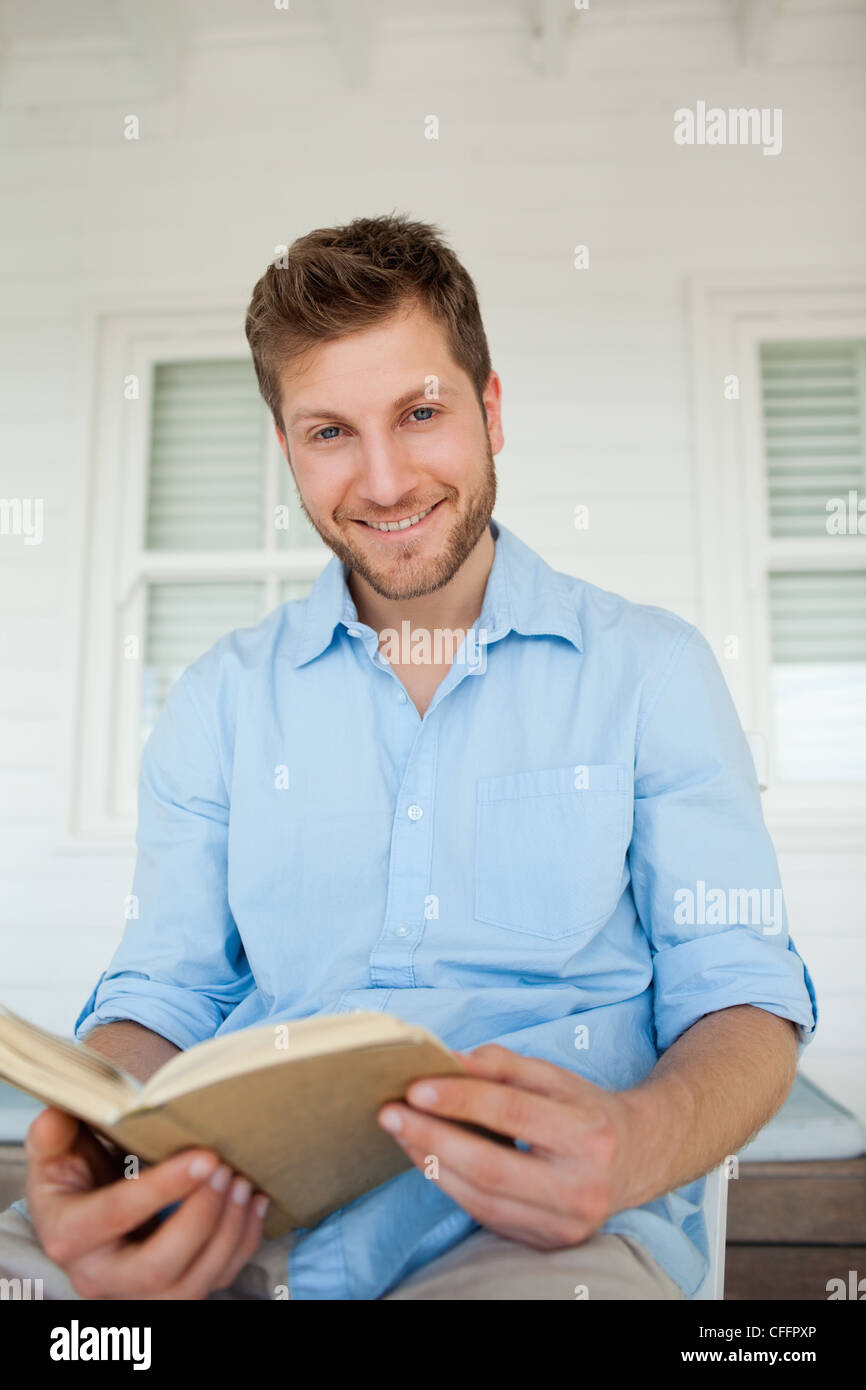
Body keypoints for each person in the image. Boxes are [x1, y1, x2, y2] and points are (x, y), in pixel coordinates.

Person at [0, 214, 817, 1301]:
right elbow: (166, 996)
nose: (382, 483)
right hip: (233, 1226)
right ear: (286, 444)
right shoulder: (220, 701)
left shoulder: (650, 670)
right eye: (329, 431)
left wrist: (639, 1139)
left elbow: (741, 995)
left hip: (530, 1242)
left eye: (419, 413)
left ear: (488, 409)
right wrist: (99, 1161)